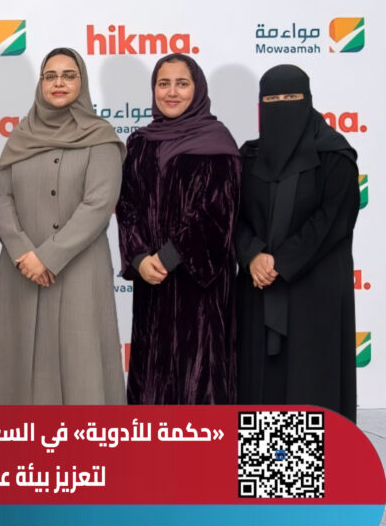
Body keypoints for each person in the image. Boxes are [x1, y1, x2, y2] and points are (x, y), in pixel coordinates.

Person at [0, 48, 125, 405]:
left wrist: (47, 257)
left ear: (82, 82)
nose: (59, 83)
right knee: (16, 366)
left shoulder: (100, 137)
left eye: (69, 75)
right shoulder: (21, 135)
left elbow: (98, 204)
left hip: (79, 268)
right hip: (21, 268)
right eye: (51, 76)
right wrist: (22, 252)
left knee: (81, 362)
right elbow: (0, 195)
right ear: (41, 83)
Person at [235, 65, 359, 421]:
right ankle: (264, 457)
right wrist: (252, 255)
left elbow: (332, 220)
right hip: (258, 286)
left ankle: (312, 457)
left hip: (314, 289)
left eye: (291, 97)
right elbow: (233, 216)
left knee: (310, 383)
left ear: (308, 100)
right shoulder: (249, 156)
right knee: (260, 388)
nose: (282, 105)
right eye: (273, 99)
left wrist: (281, 262)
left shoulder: (334, 155)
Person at [115, 53, 240, 405]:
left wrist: (166, 258)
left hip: (199, 288)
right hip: (151, 283)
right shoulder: (140, 143)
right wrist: (139, 257)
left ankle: (203, 443)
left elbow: (216, 214)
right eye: (163, 83)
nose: (171, 92)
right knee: (151, 379)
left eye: (182, 84)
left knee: (200, 380)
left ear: (197, 89)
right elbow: (127, 206)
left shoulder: (217, 143)